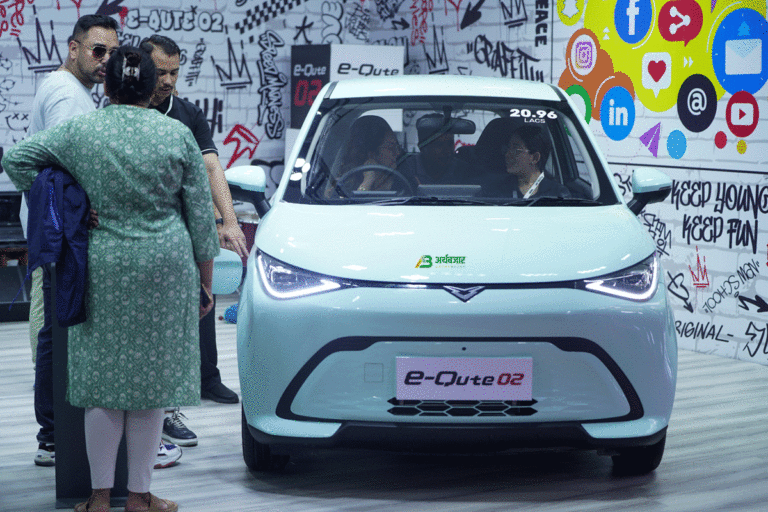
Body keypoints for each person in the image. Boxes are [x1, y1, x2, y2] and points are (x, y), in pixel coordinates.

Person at [3, 45, 219, 512]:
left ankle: (99, 498)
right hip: (165, 268)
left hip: (102, 267)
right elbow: (202, 220)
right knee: (152, 387)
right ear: (151, 87)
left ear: (107, 85)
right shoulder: (177, 134)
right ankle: (139, 496)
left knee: (100, 385)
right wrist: (206, 283)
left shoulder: (81, 130)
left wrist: (70, 203)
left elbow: (17, 160)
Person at [20, 13, 119, 468]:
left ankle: (56, 432)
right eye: (98, 51)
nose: (105, 61)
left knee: (56, 327)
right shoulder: (65, 93)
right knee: (54, 331)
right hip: (58, 231)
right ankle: (53, 435)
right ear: (73, 48)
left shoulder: (71, 90)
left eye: (112, 53)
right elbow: (56, 160)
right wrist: (79, 205)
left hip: (58, 227)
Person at [138, 35, 244, 448]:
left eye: (174, 72)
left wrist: (229, 220)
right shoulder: (125, 109)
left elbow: (212, 166)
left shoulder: (187, 114)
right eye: (160, 72)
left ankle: (204, 379)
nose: (168, 81)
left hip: (183, 232)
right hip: (140, 233)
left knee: (203, 300)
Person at [482, 123, 570, 199]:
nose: (507, 154)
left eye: (516, 150)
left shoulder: (558, 194)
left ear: (535, 158)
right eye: (508, 148)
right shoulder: (496, 190)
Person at [330, 115, 404, 194]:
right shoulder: (346, 181)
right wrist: (368, 181)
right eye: (391, 148)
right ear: (372, 154)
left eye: (398, 147)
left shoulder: (403, 181)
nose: (397, 153)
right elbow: (351, 201)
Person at [402, 113, 472, 185]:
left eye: (450, 144)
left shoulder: (463, 171)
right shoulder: (406, 169)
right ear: (422, 147)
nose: (447, 151)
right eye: (439, 145)